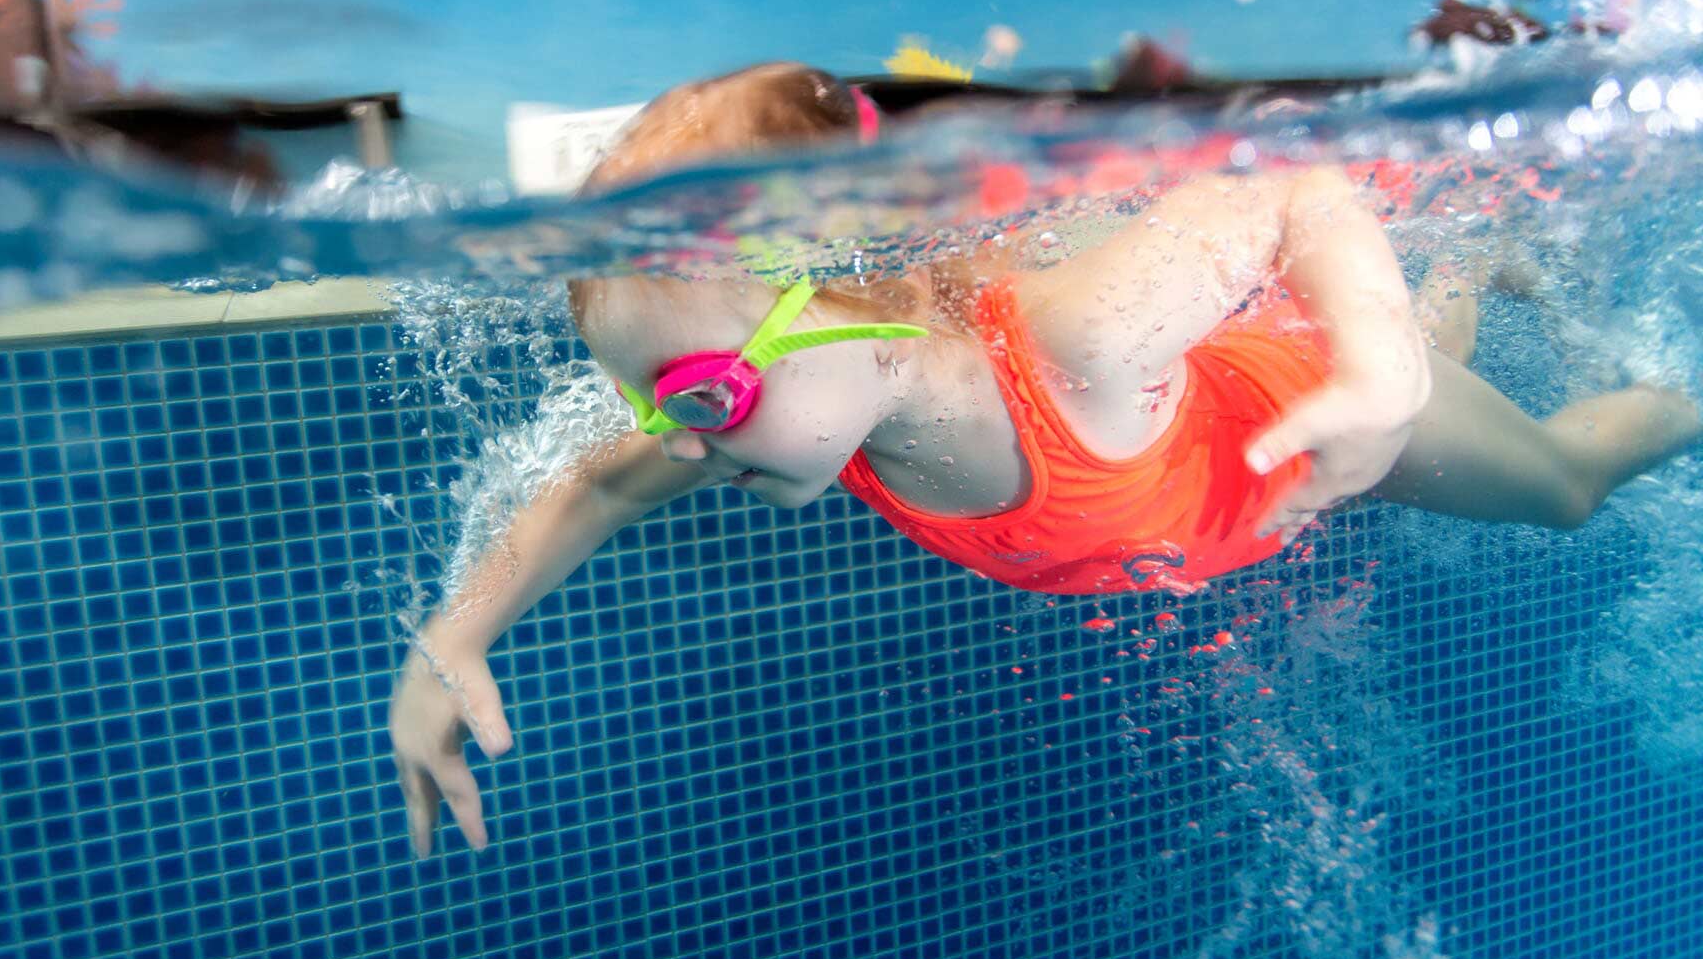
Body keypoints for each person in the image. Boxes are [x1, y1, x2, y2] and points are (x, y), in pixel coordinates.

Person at [389, 61, 1700, 856]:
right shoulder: (799, 409)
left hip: (1299, 418)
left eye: (697, 395)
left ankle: (1672, 391)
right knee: (1419, 327)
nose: (675, 436)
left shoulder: (1075, 340)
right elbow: (596, 482)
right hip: (1221, 483)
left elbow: (1287, 190)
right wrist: (451, 639)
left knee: (1567, 490)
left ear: (835, 305)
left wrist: (1381, 374)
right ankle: (1458, 272)